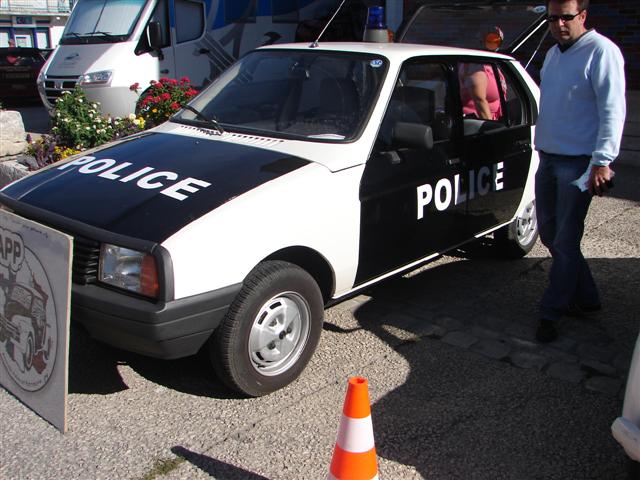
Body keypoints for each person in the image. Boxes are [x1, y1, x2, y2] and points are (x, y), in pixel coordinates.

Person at [533, 0, 626, 342]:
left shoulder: (602, 52)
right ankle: (587, 299)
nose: (559, 24)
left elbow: (613, 109)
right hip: (549, 158)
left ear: (583, 16)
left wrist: (602, 161)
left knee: (565, 240)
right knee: (551, 235)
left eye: (566, 17)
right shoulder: (555, 54)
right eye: (553, 18)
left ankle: (551, 312)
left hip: (578, 164)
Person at [458, 27, 506, 120]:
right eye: (491, 40)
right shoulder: (475, 66)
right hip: (476, 124)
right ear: (480, 41)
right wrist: (490, 128)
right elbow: (479, 101)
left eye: (497, 41)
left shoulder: (492, 64)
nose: (494, 44)